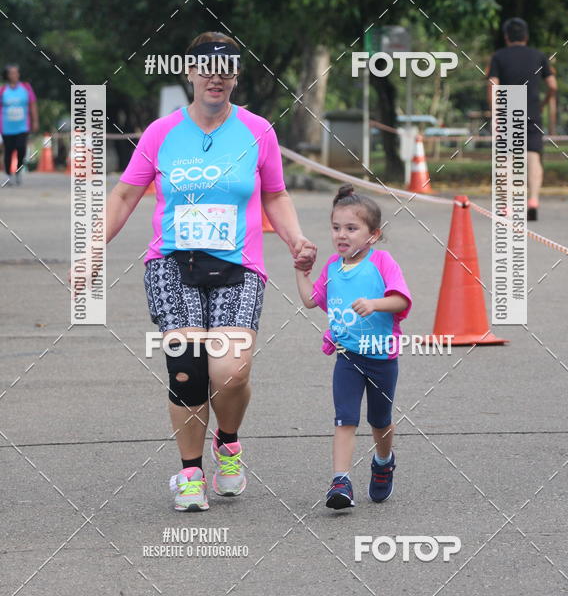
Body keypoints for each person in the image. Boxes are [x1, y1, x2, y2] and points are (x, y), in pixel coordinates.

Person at [106, 31, 316, 511]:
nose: (214, 80)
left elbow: (276, 194)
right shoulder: (162, 133)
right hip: (172, 263)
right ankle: (190, 473)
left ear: (235, 78)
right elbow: (124, 195)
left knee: (229, 371)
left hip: (238, 264)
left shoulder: (258, 130)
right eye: (206, 71)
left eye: (224, 73)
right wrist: (92, 247)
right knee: (187, 367)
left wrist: (295, 240)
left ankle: (229, 441)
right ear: (190, 74)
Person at [296, 184, 411, 510]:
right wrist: (301, 272)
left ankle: (383, 460)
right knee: (345, 418)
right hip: (347, 357)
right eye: (336, 228)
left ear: (372, 235)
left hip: (381, 357)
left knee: (380, 420)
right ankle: (341, 481)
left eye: (351, 228)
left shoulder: (382, 262)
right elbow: (310, 300)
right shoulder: (332, 267)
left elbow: (400, 298)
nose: (341, 235)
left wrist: (375, 304)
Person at [487, 17, 558, 221]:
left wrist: (496, 113)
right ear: (526, 36)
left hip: (509, 108)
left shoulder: (499, 57)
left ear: (506, 36)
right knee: (533, 155)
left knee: (505, 158)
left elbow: (493, 85)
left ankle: (505, 207)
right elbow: (552, 85)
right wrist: (544, 103)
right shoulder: (539, 56)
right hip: (532, 109)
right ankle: (533, 201)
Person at [0, 64, 38, 186]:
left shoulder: (26, 88)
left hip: (22, 126)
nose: (14, 75)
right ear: (7, 75)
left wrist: (35, 121)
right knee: (9, 151)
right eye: (11, 73)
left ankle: (18, 172)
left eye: (16, 72)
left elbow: (32, 105)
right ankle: (8, 176)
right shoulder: (2, 90)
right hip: (6, 126)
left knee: (21, 148)